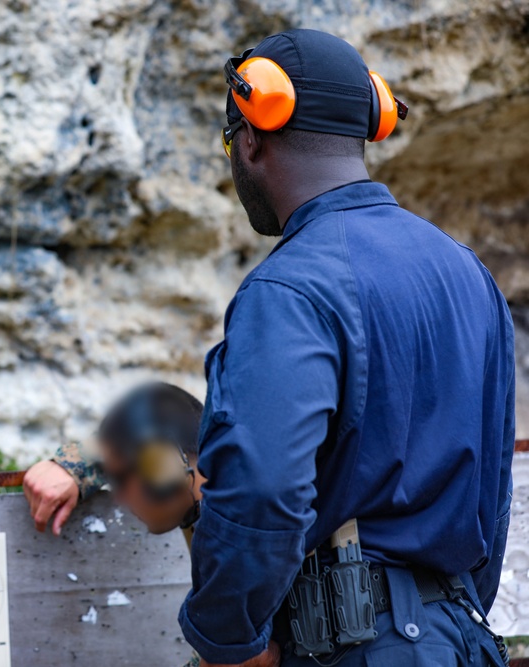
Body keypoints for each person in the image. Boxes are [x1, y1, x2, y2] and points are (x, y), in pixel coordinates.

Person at [176, 29, 514, 667]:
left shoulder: (289, 288)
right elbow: (491, 489)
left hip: (349, 647)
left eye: (230, 143)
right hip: (459, 641)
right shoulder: (466, 271)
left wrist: (226, 643)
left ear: (250, 139)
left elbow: (262, 491)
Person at [23, 381, 206, 666]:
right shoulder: (202, 479)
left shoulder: (243, 532)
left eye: (120, 480)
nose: (118, 499)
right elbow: (170, 417)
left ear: (165, 470)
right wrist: (72, 465)